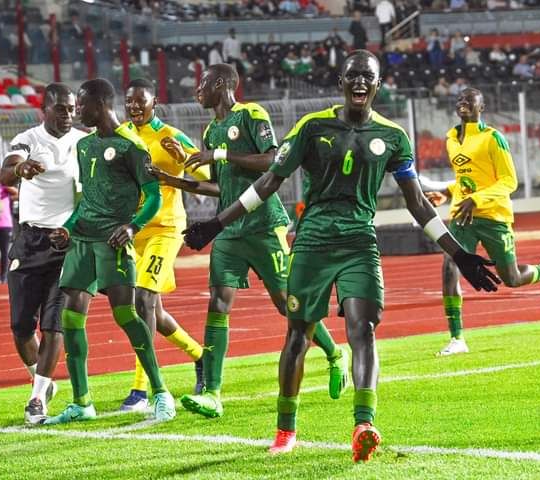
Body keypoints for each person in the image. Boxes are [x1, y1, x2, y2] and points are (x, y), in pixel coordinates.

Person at [181, 51, 500, 461]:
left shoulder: (393, 137)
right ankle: (285, 430)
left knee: (362, 327)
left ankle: (364, 424)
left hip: (359, 243)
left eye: (368, 77)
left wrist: (460, 255)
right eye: (353, 76)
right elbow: (268, 182)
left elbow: (418, 204)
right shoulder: (311, 127)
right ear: (341, 82)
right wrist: (216, 224)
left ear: (378, 84)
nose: (360, 83)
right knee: (298, 334)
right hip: (312, 241)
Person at [161, 63, 347, 420]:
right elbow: (221, 187)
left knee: (287, 304)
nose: (196, 91)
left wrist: (219, 155)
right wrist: (175, 181)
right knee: (218, 302)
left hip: (264, 226)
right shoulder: (212, 130)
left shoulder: (251, 114)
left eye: (201, 84)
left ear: (220, 84)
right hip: (229, 231)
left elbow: (273, 162)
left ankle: (334, 353)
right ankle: (213, 393)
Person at [44, 78, 176, 424]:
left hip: (112, 241)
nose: (76, 113)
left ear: (100, 104)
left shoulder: (132, 146)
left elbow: (154, 197)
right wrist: (67, 229)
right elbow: (86, 201)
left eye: (82, 106)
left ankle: (161, 392)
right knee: (71, 317)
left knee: (125, 315)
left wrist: (132, 226)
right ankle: (82, 402)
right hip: (82, 241)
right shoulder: (85, 146)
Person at [424, 88, 540, 356]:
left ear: (480, 108)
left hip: (494, 216)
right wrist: (447, 193)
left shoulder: (493, 138)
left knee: (512, 278)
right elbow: (464, 179)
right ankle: (457, 338)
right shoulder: (450, 140)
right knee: (450, 264)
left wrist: (478, 199)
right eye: (460, 99)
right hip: (462, 215)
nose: (463, 103)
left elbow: (509, 181)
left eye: (470, 101)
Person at [117, 77, 209, 411]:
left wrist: (183, 158)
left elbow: (207, 177)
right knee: (151, 309)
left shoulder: (171, 135)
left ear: (154, 101)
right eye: (129, 102)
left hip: (165, 229)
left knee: (142, 298)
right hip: (132, 231)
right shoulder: (122, 135)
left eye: (140, 101)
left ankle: (142, 389)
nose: (134, 107)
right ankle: (200, 356)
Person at [0, 83, 87, 425]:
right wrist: (20, 170)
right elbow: (9, 167)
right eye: (61, 108)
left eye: (71, 108)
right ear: (45, 109)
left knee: (55, 324)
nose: (68, 114)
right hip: (29, 241)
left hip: (66, 242)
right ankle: (42, 378)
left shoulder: (83, 142)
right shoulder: (28, 138)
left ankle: (37, 397)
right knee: (21, 327)